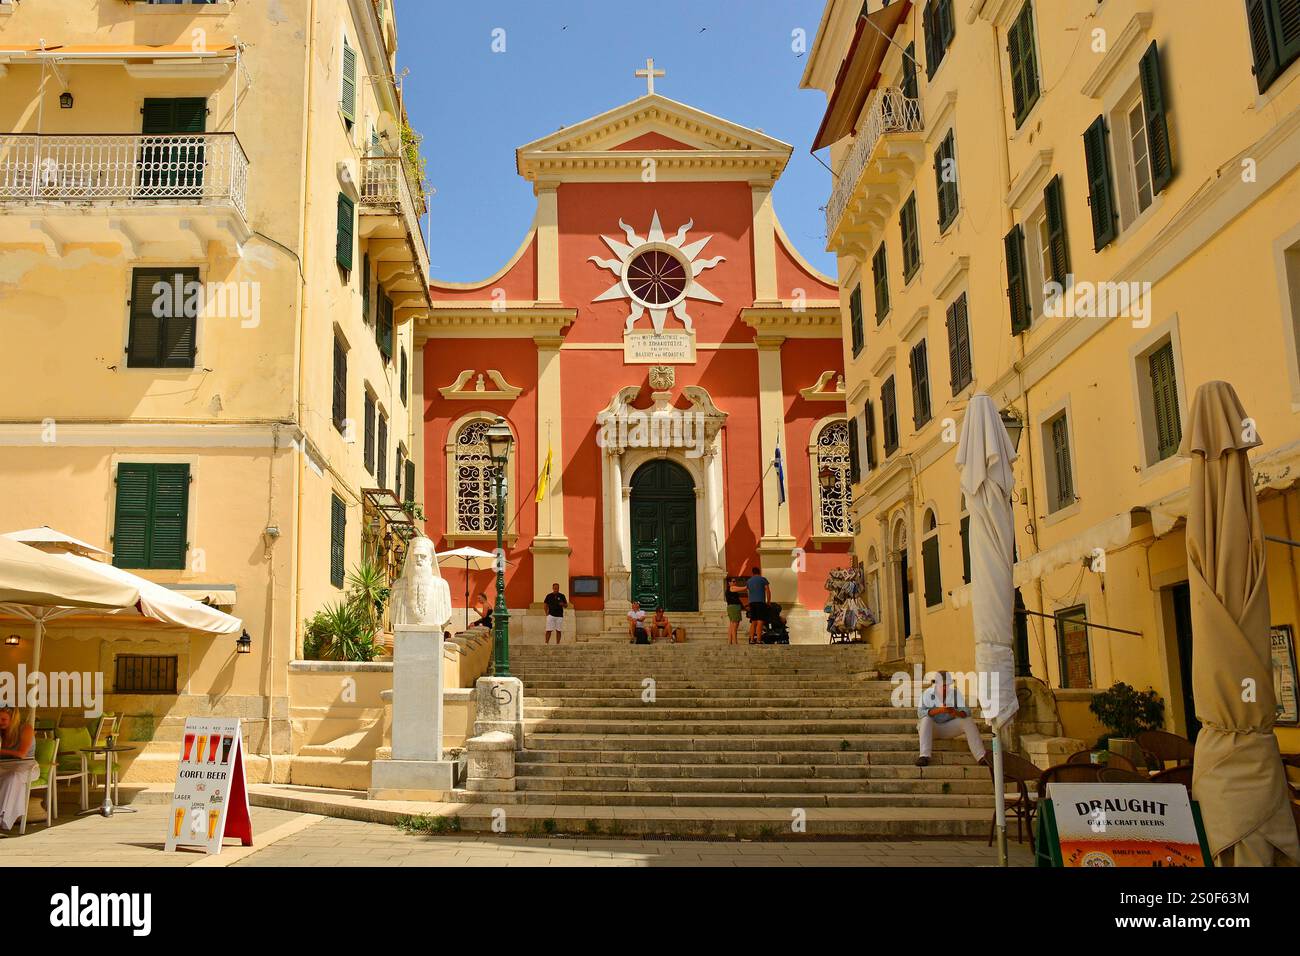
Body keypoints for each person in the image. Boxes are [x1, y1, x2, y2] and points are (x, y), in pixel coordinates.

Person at [915, 671, 988, 768]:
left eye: (947, 685)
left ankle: (981, 756)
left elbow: (967, 711)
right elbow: (920, 713)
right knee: (926, 719)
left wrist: (955, 712)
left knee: (967, 720)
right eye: (942, 685)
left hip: (948, 728)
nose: (945, 688)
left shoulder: (955, 693)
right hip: (932, 730)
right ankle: (924, 756)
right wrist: (939, 710)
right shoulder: (927, 694)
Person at [0, 707, 38, 832]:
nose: (0, 722)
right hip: (5, 766)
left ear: (13, 719)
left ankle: (3, 817)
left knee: (13, 777)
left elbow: (22, 754)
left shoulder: (25, 729)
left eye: (3, 719)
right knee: (10, 776)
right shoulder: (2, 732)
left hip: (27, 767)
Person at [745, 566, 771, 644]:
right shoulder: (763, 579)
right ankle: (759, 639)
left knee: (753, 622)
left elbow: (748, 593)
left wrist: (749, 603)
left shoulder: (749, 581)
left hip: (752, 603)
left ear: (752, 573)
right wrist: (768, 601)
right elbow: (768, 591)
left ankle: (752, 639)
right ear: (759, 572)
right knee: (760, 622)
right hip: (760, 602)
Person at [725, 577, 747, 645]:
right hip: (734, 608)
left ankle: (729, 641)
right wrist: (748, 585)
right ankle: (735, 642)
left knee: (732, 625)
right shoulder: (731, 588)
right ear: (729, 583)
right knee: (735, 625)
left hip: (732, 607)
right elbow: (743, 588)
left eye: (735, 581)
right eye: (733, 581)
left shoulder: (730, 589)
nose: (735, 582)